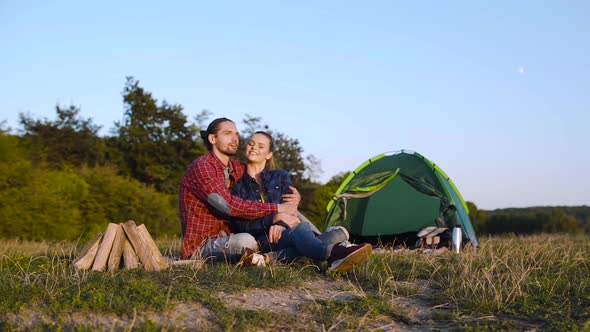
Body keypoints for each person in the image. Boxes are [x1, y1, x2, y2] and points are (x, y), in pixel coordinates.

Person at [231, 131, 372, 272]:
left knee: (340, 232)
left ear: (269, 154)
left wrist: (281, 223)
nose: (254, 148)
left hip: (288, 231)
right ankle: (333, 253)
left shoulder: (280, 176)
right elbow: (241, 224)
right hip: (264, 238)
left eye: (261, 146)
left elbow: (291, 207)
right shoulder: (238, 185)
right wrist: (274, 219)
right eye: (251, 144)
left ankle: (265, 259)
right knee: (314, 232)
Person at [179, 118, 299, 261]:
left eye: (236, 134)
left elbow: (270, 182)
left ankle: (319, 241)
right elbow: (228, 206)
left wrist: (292, 198)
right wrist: (277, 209)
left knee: (291, 213)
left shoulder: (237, 168)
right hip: (204, 244)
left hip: (232, 235)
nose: (235, 138)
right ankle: (284, 253)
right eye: (228, 133)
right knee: (246, 242)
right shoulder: (202, 166)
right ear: (212, 138)